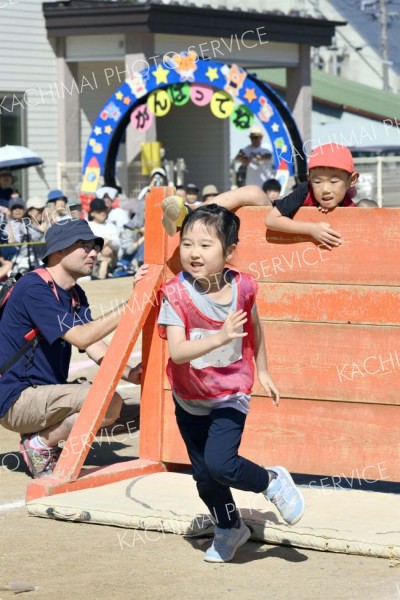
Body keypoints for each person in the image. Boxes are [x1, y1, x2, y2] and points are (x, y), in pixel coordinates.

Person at [157, 204, 305, 564]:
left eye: (206, 245)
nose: (194, 252)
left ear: (229, 252)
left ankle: (270, 481)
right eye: (187, 243)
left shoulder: (244, 287)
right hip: (189, 397)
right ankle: (229, 527)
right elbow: (177, 352)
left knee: (221, 464)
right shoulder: (175, 294)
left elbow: (255, 326)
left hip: (230, 393)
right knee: (205, 476)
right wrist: (221, 337)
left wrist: (263, 370)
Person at [0, 218, 146, 479]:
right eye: (84, 246)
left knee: (142, 410)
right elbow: (81, 337)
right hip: (15, 399)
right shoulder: (34, 288)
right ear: (59, 250)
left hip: (45, 394)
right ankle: (40, 444)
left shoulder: (75, 292)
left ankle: (43, 435)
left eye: (94, 247)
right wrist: (135, 302)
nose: (93, 252)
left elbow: (93, 345)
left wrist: (129, 373)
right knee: (108, 402)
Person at [162, 144, 359, 250]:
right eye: (318, 181)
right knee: (252, 192)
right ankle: (189, 213)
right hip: (274, 211)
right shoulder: (304, 189)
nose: (325, 189)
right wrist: (311, 229)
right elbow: (271, 219)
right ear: (309, 179)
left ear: (352, 180)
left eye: (334, 182)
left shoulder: (351, 203)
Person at [88, 198, 120, 279]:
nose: (103, 213)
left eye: (104, 210)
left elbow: (118, 244)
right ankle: (102, 276)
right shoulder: (88, 225)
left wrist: (108, 242)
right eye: (99, 211)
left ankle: (100, 277)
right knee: (105, 254)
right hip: (93, 255)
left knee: (107, 253)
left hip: (110, 257)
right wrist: (103, 244)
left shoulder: (111, 226)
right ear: (92, 213)